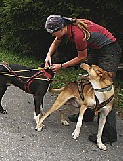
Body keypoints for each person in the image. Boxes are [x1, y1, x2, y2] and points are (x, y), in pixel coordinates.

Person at [44, 14, 122, 144]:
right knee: (88, 81)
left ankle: (109, 134)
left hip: (109, 50)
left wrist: (61, 66)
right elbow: (56, 42)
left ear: (61, 28)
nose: (52, 35)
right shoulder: (65, 28)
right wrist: (48, 55)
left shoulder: (78, 34)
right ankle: (88, 114)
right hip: (97, 50)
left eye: (53, 32)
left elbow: (81, 57)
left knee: (105, 88)